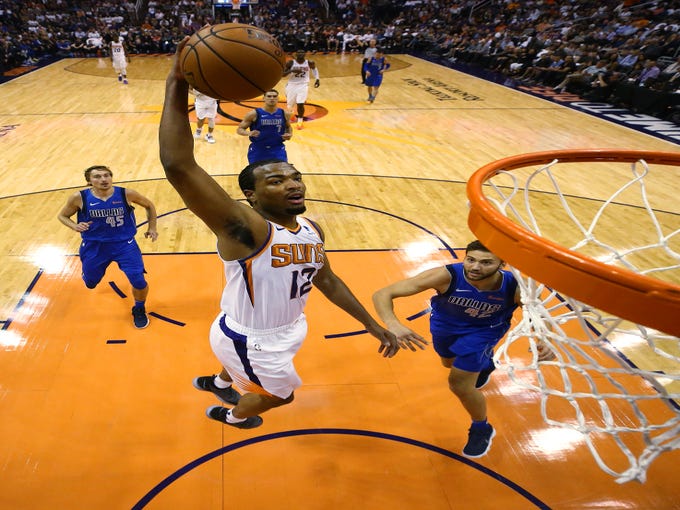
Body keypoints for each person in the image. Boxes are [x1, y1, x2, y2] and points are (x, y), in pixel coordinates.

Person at [159, 37, 399, 430]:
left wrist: (372, 325)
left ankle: (220, 382)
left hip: (287, 328)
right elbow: (178, 165)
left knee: (251, 367)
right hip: (250, 338)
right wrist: (175, 82)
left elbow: (327, 280)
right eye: (276, 180)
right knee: (279, 396)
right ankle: (232, 414)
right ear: (250, 195)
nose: (292, 183)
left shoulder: (310, 228)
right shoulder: (245, 228)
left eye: (295, 176)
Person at [372, 240, 554, 458]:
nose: (475, 267)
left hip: (484, 332)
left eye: (486, 262)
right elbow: (382, 293)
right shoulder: (446, 276)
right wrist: (393, 324)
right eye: (471, 259)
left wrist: (545, 339)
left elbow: (539, 315)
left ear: (502, 264)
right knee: (447, 363)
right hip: (445, 326)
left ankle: (481, 427)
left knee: (458, 384)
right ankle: (486, 365)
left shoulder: (516, 287)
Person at [57, 165, 158, 329]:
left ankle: (139, 308)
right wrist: (74, 226)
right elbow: (62, 215)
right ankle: (88, 274)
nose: (103, 179)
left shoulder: (125, 193)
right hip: (94, 246)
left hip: (125, 245)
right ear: (89, 181)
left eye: (107, 175)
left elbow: (149, 205)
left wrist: (152, 228)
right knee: (91, 283)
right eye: (97, 177)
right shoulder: (79, 197)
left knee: (138, 280)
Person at [236, 89, 292, 164]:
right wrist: (249, 133)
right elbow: (240, 129)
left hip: (277, 149)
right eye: (269, 96)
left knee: (280, 173)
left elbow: (288, 127)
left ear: (278, 98)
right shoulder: (254, 114)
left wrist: (289, 134)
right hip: (258, 149)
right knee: (256, 174)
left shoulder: (284, 113)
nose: (272, 98)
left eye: (274, 96)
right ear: (264, 98)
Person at [283, 49, 320, 130]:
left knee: (300, 103)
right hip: (292, 85)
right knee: (290, 105)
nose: (300, 54)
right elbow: (283, 75)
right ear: (296, 54)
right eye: (298, 52)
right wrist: (292, 70)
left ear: (305, 54)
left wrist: (317, 79)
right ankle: (292, 116)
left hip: (303, 85)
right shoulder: (291, 63)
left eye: (302, 52)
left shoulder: (309, 62)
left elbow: (314, 69)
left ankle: (300, 121)